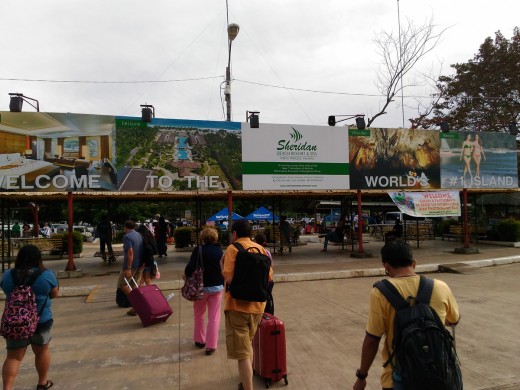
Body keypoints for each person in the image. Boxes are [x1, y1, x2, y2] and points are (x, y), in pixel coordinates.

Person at [352, 239, 460, 390]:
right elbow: (454, 319)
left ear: (386, 266)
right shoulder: (440, 287)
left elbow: (372, 339)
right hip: (438, 376)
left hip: (397, 379)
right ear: (414, 263)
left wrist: (362, 377)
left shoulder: (380, 293)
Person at [221, 220, 273, 390]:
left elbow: (228, 278)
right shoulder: (261, 249)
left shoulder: (233, 248)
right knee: (248, 345)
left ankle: (248, 387)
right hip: (258, 306)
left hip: (237, 306)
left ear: (234, 234)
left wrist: (222, 267)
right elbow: (269, 279)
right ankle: (245, 382)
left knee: (242, 354)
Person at [0, 245, 59, 390]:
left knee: (13, 357)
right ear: (38, 258)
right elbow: (54, 294)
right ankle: (42, 383)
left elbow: (5, 290)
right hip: (41, 320)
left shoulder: (8, 275)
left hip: (15, 322)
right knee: (42, 351)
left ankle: (7, 388)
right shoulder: (47, 275)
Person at [183, 227, 224, 356]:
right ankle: (211, 345)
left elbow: (190, 267)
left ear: (202, 238)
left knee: (199, 314)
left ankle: (200, 340)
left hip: (200, 287)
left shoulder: (198, 250)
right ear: (215, 238)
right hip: (217, 287)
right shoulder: (219, 251)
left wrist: (186, 275)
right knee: (214, 317)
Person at [117, 220, 144, 316]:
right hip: (140, 264)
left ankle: (138, 303)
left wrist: (128, 268)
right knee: (133, 286)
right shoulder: (139, 235)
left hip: (131, 265)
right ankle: (134, 309)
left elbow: (130, 252)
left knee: (122, 284)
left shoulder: (127, 237)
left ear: (125, 227)